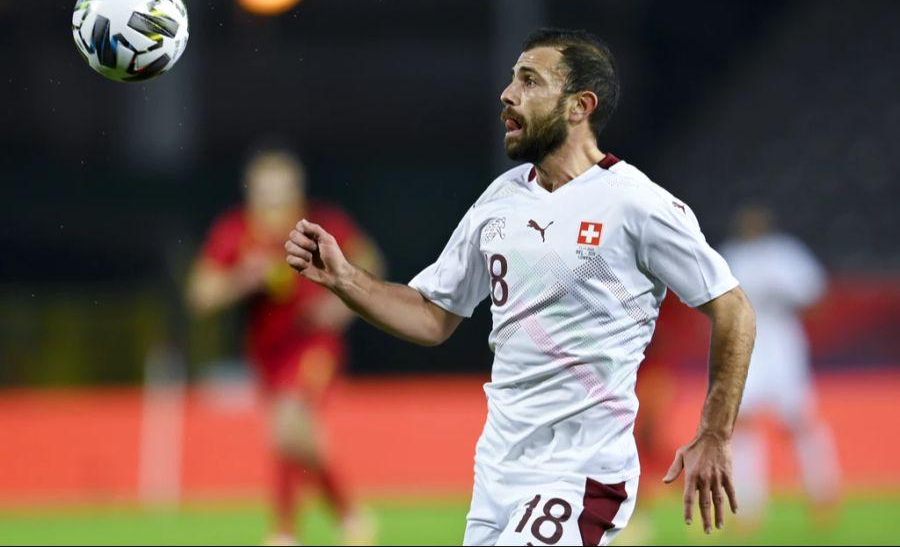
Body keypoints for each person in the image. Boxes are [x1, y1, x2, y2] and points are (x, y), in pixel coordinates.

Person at [285, 28, 756, 545]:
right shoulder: (500, 200)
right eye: (512, 79)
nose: (507, 94)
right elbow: (431, 315)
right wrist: (344, 278)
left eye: (529, 81)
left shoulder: (637, 205)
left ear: (580, 106)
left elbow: (733, 309)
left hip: (583, 469)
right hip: (499, 470)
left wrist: (714, 432)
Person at [187, 148, 383, 546]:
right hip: (266, 351)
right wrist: (243, 278)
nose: (274, 197)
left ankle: (284, 532)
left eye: (282, 188)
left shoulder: (320, 224)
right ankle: (349, 514)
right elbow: (199, 295)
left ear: (296, 188)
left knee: (288, 421)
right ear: (252, 190)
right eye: (266, 188)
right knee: (291, 435)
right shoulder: (235, 232)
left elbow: (371, 262)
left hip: (313, 342)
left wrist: (341, 306)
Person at [719, 205, 840, 528]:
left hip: (782, 341)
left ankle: (823, 492)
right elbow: (716, 304)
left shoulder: (786, 253)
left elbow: (815, 297)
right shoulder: (731, 256)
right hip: (746, 343)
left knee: (798, 420)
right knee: (742, 424)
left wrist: (787, 298)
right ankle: (747, 506)